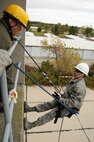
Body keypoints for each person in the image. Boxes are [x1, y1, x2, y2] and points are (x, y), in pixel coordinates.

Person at [24, 62, 89, 130]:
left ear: (82, 74)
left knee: (51, 114)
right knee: (48, 104)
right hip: (65, 101)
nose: (75, 71)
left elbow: (73, 102)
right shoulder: (75, 79)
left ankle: (30, 125)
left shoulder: (79, 87)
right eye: (75, 69)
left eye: (77, 71)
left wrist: (61, 100)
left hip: (71, 108)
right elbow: (69, 94)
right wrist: (61, 96)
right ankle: (28, 109)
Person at [0, 4, 29, 110]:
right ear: (12, 22)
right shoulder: (5, 41)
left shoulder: (3, 29)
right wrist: (11, 90)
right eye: (19, 27)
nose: (19, 30)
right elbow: (7, 69)